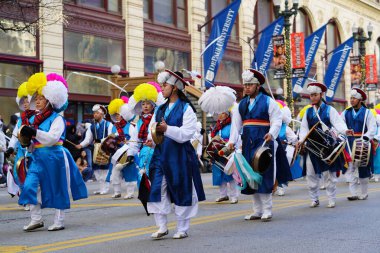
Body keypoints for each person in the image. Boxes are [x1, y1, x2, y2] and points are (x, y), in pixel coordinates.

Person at [19, 72, 87, 231]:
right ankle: (36, 219)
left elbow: (52, 138)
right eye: (36, 98)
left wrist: (34, 133)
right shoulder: (33, 119)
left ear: (50, 101)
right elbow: (32, 142)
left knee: (58, 187)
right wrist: (26, 143)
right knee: (29, 186)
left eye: (41, 98)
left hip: (55, 156)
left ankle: (59, 220)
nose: (37, 101)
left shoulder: (57, 119)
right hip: (37, 157)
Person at [146, 69, 205, 239]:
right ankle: (161, 226)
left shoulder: (187, 109)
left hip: (179, 155)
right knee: (157, 188)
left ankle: (182, 228)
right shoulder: (160, 109)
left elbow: (186, 134)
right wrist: (152, 137)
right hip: (160, 154)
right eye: (162, 85)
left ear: (175, 88)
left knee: (182, 189)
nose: (162, 88)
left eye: (165, 85)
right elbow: (152, 128)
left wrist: (167, 129)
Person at [227, 69, 282, 222]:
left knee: (264, 173)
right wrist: (232, 141)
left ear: (258, 86)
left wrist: (271, 133)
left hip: (263, 141)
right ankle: (257, 210)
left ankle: (267, 209)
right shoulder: (241, 104)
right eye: (245, 85)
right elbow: (236, 124)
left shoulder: (269, 101)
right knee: (250, 175)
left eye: (250, 85)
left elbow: (277, 120)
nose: (247, 88)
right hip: (247, 143)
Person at [298, 82, 349, 208]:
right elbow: (304, 128)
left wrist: (345, 131)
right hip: (312, 146)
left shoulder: (329, 109)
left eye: (315, 95)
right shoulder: (308, 111)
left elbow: (338, 123)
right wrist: (301, 140)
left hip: (327, 147)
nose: (313, 98)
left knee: (328, 174)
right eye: (311, 95)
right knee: (310, 173)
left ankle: (331, 198)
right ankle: (314, 199)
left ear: (321, 95)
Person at [342, 88, 376, 201]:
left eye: (354, 98)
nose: (351, 100)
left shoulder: (367, 113)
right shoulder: (346, 112)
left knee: (362, 168)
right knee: (351, 168)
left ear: (360, 100)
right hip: (350, 142)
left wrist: (366, 137)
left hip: (363, 142)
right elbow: (340, 124)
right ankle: (353, 193)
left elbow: (372, 127)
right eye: (350, 98)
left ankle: (364, 192)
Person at [76, 104, 114, 195]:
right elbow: (88, 139)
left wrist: (99, 140)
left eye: (97, 113)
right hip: (96, 150)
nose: (95, 115)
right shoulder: (92, 126)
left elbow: (110, 137)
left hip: (106, 149)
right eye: (94, 113)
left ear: (102, 114)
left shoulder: (109, 124)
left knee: (105, 169)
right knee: (97, 170)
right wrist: (81, 145)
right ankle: (101, 188)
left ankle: (106, 188)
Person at [7, 82, 35, 198]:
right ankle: (24, 197)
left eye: (27, 101)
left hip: (33, 152)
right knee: (18, 173)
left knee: (31, 175)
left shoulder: (37, 117)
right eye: (23, 101)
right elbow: (14, 135)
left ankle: (31, 198)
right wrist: (10, 147)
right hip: (21, 152)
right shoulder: (20, 119)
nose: (25, 103)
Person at [107, 98, 139, 199]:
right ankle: (117, 191)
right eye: (115, 114)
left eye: (119, 114)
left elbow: (134, 140)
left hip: (127, 152)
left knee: (130, 172)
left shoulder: (130, 127)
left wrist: (127, 142)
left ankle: (130, 192)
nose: (117, 116)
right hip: (116, 153)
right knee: (115, 173)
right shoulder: (113, 126)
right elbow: (109, 138)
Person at [210, 111, 239, 204]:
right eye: (218, 113)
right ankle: (223, 195)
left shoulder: (231, 126)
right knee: (219, 174)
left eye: (222, 113)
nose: (219, 115)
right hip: (218, 152)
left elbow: (235, 138)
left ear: (227, 115)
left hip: (228, 152)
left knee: (229, 173)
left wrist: (226, 143)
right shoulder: (216, 127)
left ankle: (234, 196)